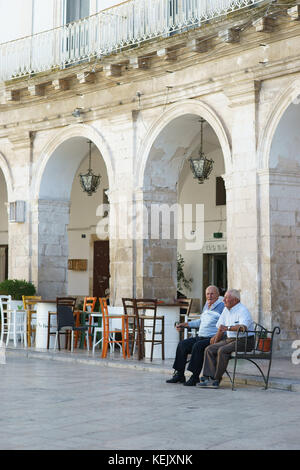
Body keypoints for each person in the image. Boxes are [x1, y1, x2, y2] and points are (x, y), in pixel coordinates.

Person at [166, 286, 224, 386]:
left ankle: (194, 377)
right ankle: (180, 374)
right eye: (207, 294)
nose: (209, 296)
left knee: (197, 346)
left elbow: (224, 324)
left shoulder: (222, 306)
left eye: (212, 294)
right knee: (182, 344)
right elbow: (200, 321)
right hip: (201, 336)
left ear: (218, 295)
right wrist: (186, 324)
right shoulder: (207, 305)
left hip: (212, 338)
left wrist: (217, 336)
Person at [198, 289, 255, 389]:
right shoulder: (226, 309)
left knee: (222, 350)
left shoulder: (243, 310)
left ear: (235, 300)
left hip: (245, 340)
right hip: (230, 339)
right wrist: (215, 339)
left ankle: (216, 379)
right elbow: (221, 328)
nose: (223, 300)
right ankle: (207, 377)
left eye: (226, 298)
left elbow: (243, 328)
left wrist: (228, 328)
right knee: (209, 349)